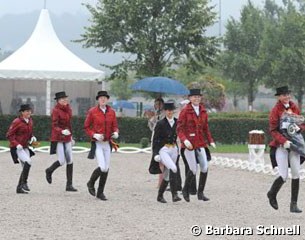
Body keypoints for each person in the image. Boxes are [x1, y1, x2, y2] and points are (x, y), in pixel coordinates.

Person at [267, 86, 305, 213]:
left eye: (288, 94)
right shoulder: (275, 110)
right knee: (283, 176)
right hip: (281, 146)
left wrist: (300, 128)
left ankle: (293, 204)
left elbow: (301, 123)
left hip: (294, 145)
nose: (286, 97)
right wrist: (284, 141)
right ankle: (272, 194)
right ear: (279, 97)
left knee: (296, 173)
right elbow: (273, 130)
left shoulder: (294, 107)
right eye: (284, 95)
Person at [177, 88, 216, 202]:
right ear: (190, 98)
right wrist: (184, 140)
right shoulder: (185, 111)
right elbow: (179, 128)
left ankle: (201, 192)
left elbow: (205, 128)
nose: (196, 99)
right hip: (189, 144)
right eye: (194, 97)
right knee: (193, 169)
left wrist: (210, 140)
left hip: (200, 143)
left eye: (198, 97)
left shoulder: (203, 111)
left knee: (204, 167)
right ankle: (185, 189)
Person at [85, 90, 119, 201]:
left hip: (107, 143)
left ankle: (100, 192)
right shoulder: (92, 111)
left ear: (107, 99)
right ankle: (91, 182)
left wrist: (116, 132)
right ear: (98, 100)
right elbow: (86, 127)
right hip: (98, 143)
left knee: (106, 169)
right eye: (101, 98)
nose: (103, 99)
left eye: (104, 97)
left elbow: (115, 126)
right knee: (102, 167)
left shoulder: (112, 112)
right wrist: (94, 134)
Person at [149, 101, 181, 203]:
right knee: (174, 168)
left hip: (174, 149)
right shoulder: (160, 123)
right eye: (167, 110)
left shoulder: (177, 122)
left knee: (167, 175)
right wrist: (156, 153)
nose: (169, 112)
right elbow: (155, 140)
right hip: (164, 149)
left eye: (171, 110)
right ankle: (174, 194)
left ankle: (160, 195)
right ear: (165, 111)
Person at [45, 91, 77, 192]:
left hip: (67, 137)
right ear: (58, 101)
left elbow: (69, 125)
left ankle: (69, 184)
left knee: (70, 160)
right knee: (62, 161)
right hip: (58, 138)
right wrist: (62, 131)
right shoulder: (55, 111)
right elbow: (54, 125)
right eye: (62, 99)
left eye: (65, 98)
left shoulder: (69, 110)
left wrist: (71, 136)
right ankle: (49, 170)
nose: (65, 100)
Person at [6, 104, 37, 194]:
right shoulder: (16, 122)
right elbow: (9, 135)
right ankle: (24, 183)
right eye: (27, 111)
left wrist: (32, 137)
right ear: (22, 112)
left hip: (25, 146)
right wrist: (16, 144)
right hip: (17, 148)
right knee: (28, 162)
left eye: (30, 111)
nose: (29, 113)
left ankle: (19, 188)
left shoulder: (30, 121)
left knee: (25, 167)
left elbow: (29, 132)